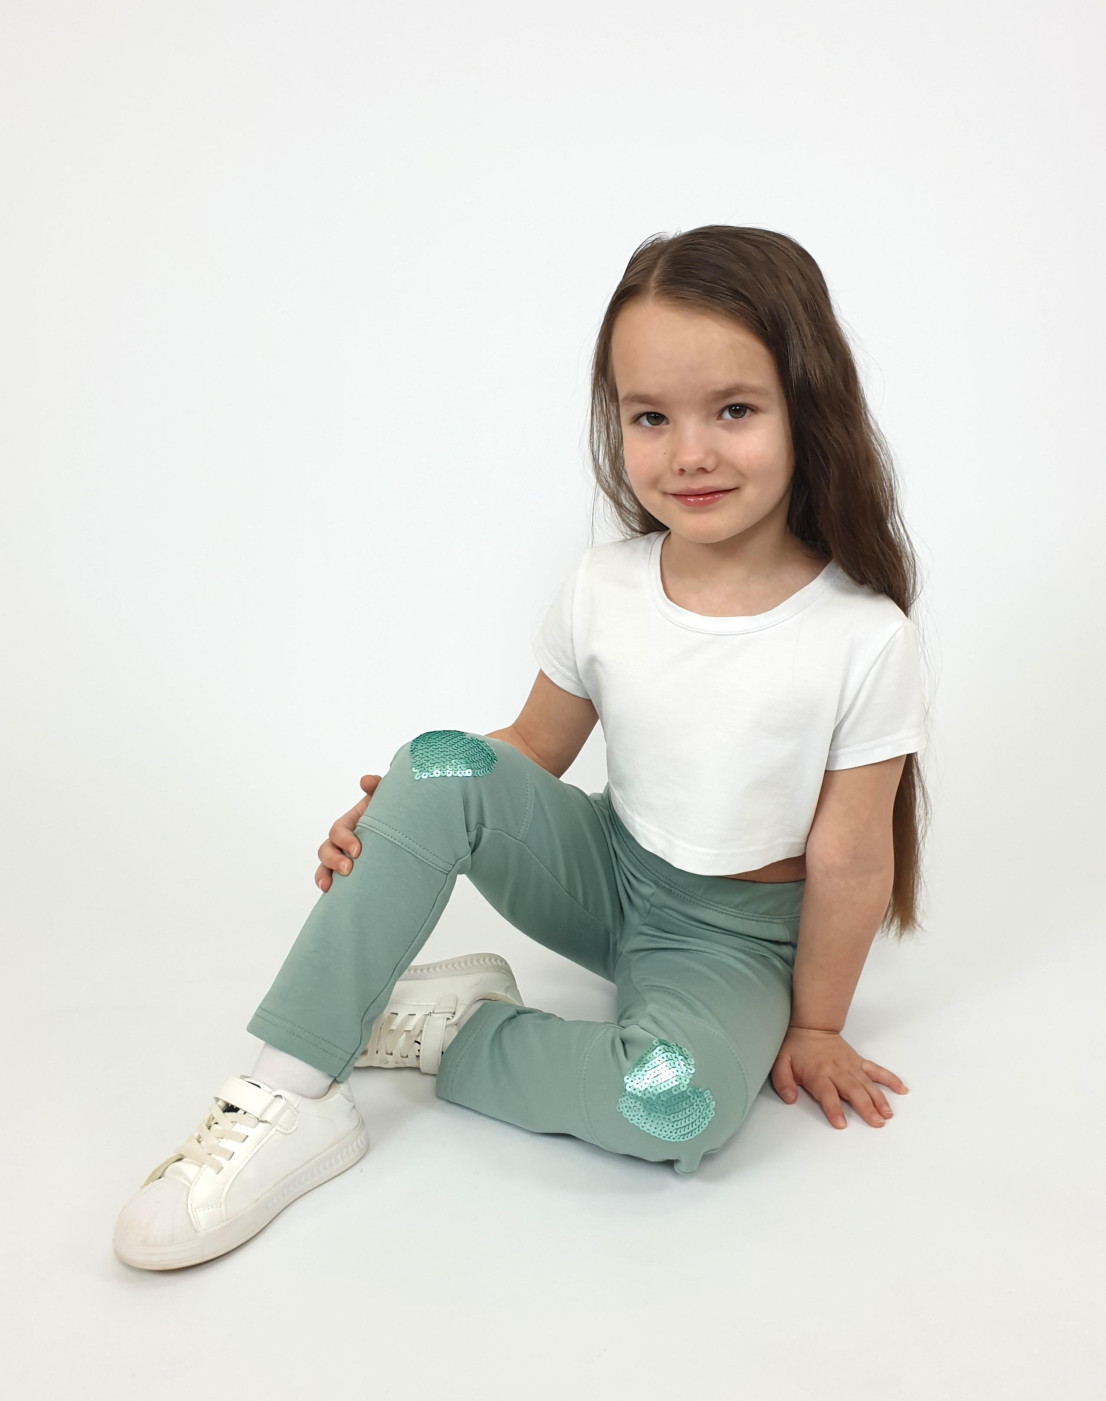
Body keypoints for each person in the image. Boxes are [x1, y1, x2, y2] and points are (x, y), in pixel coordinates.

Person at [113, 224, 931, 1271]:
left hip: (731, 943)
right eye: (650, 416)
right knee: (439, 758)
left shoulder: (861, 637)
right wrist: (402, 807)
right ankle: (289, 1091)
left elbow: (851, 858)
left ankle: (457, 1028)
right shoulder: (606, 586)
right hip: (607, 875)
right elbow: (529, 749)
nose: (688, 452)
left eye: (733, 410)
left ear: (806, 407)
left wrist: (814, 1026)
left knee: (674, 1106)